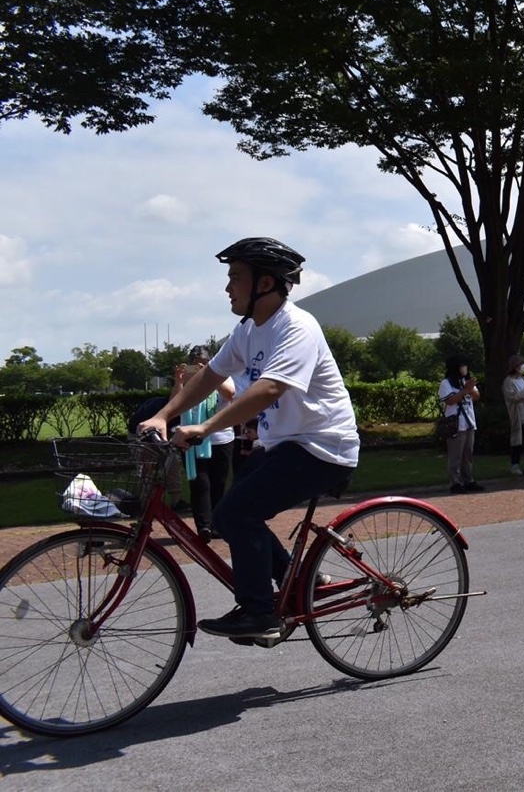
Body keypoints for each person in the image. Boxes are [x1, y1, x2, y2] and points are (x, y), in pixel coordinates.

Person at [139, 238, 359, 642]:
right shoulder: (248, 330)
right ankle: (301, 578)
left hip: (323, 446)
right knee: (227, 515)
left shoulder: (296, 327)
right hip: (285, 444)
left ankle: (261, 614)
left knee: (238, 512)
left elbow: (270, 388)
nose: (228, 288)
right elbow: (210, 376)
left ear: (265, 283)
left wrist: (204, 428)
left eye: (235, 278)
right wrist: (163, 415)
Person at [169, 345, 238, 540]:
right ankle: (204, 526)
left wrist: (210, 376)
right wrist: (179, 381)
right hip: (191, 439)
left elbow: (230, 395)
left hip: (220, 438)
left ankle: (217, 523)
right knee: (199, 483)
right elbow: (174, 404)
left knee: (218, 482)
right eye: (194, 364)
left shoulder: (223, 375)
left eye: (205, 363)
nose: (199, 367)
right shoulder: (188, 382)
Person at [438, 356, 483, 493]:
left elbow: (477, 397)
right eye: (462, 366)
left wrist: (470, 388)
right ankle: (455, 482)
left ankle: (468, 479)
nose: (464, 369)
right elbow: (450, 400)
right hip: (456, 423)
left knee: (468, 455)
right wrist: (464, 390)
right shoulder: (446, 383)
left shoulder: (466, 381)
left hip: (469, 422)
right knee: (455, 455)